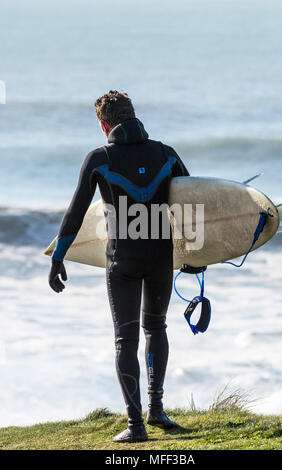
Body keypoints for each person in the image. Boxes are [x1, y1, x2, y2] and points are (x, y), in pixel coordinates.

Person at [48, 91, 190, 443]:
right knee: (156, 328)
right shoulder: (166, 154)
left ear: (103, 125)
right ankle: (157, 410)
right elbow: (190, 202)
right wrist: (193, 257)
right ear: (133, 115)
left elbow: (75, 213)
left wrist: (58, 257)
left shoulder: (99, 158)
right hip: (160, 257)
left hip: (122, 260)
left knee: (125, 339)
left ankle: (136, 426)